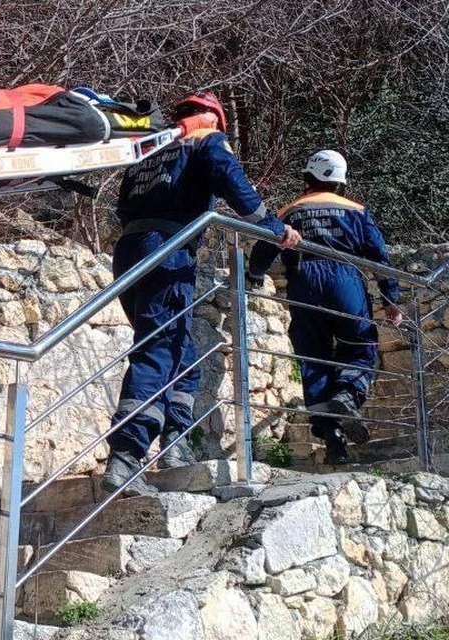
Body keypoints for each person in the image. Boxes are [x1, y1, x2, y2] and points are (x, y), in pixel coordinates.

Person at [101, 90, 301, 496]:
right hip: (168, 248)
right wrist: (274, 227)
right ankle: (126, 455)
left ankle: (175, 445)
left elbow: (123, 207)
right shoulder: (206, 139)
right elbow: (235, 186)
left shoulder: (151, 148)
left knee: (183, 354)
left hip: (131, 248)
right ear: (214, 118)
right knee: (159, 347)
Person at [248, 150, 402, 465]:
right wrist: (390, 298)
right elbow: (379, 257)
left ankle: (331, 436)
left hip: (304, 283)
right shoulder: (357, 211)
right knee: (359, 345)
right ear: (341, 182)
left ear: (308, 178)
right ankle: (347, 394)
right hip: (346, 281)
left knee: (314, 357)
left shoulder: (291, 209)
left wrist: (255, 274)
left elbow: (266, 242)